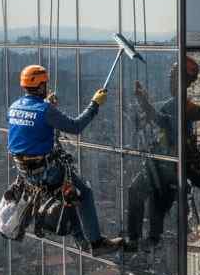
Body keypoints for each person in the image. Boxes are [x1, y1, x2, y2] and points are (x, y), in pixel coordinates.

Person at [7, 64, 123, 252]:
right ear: (41, 85)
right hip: (45, 171)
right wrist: (95, 105)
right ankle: (96, 243)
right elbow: (75, 127)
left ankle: (80, 239)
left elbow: (30, 131)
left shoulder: (14, 107)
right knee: (83, 192)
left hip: (25, 172)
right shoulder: (45, 110)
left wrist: (48, 107)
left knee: (69, 194)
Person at [125, 57, 200, 255]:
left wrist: (144, 103)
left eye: (174, 78)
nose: (170, 82)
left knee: (142, 192)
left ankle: (139, 238)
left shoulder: (176, 103)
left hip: (169, 158)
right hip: (183, 157)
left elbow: (165, 118)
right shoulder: (176, 104)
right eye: (171, 78)